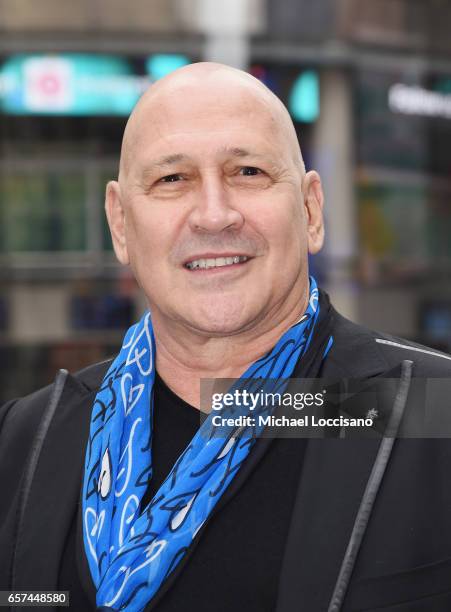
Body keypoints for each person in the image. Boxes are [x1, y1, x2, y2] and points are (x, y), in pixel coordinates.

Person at [1, 62, 451, 612]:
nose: (214, 215)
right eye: (172, 179)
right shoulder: (26, 443)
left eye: (248, 173)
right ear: (120, 224)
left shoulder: (430, 411)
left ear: (311, 210)